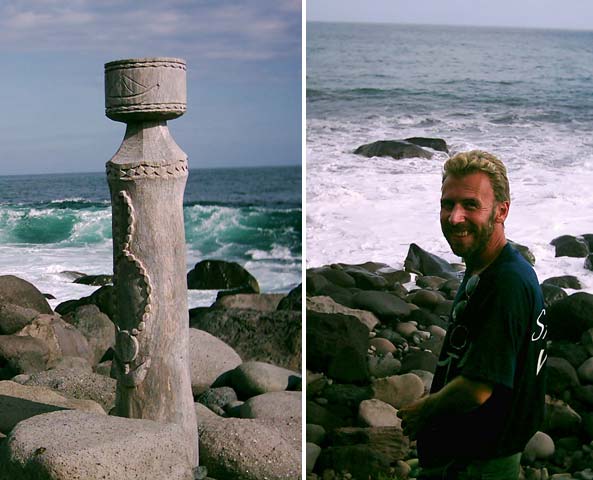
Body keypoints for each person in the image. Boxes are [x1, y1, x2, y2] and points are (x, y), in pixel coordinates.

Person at [398, 150, 547, 480]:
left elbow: (479, 388)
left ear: (501, 211)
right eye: (447, 204)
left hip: (480, 458)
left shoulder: (506, 283)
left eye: (470, 205)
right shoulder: (487, 262)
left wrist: (426, 410)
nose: (454, 217)